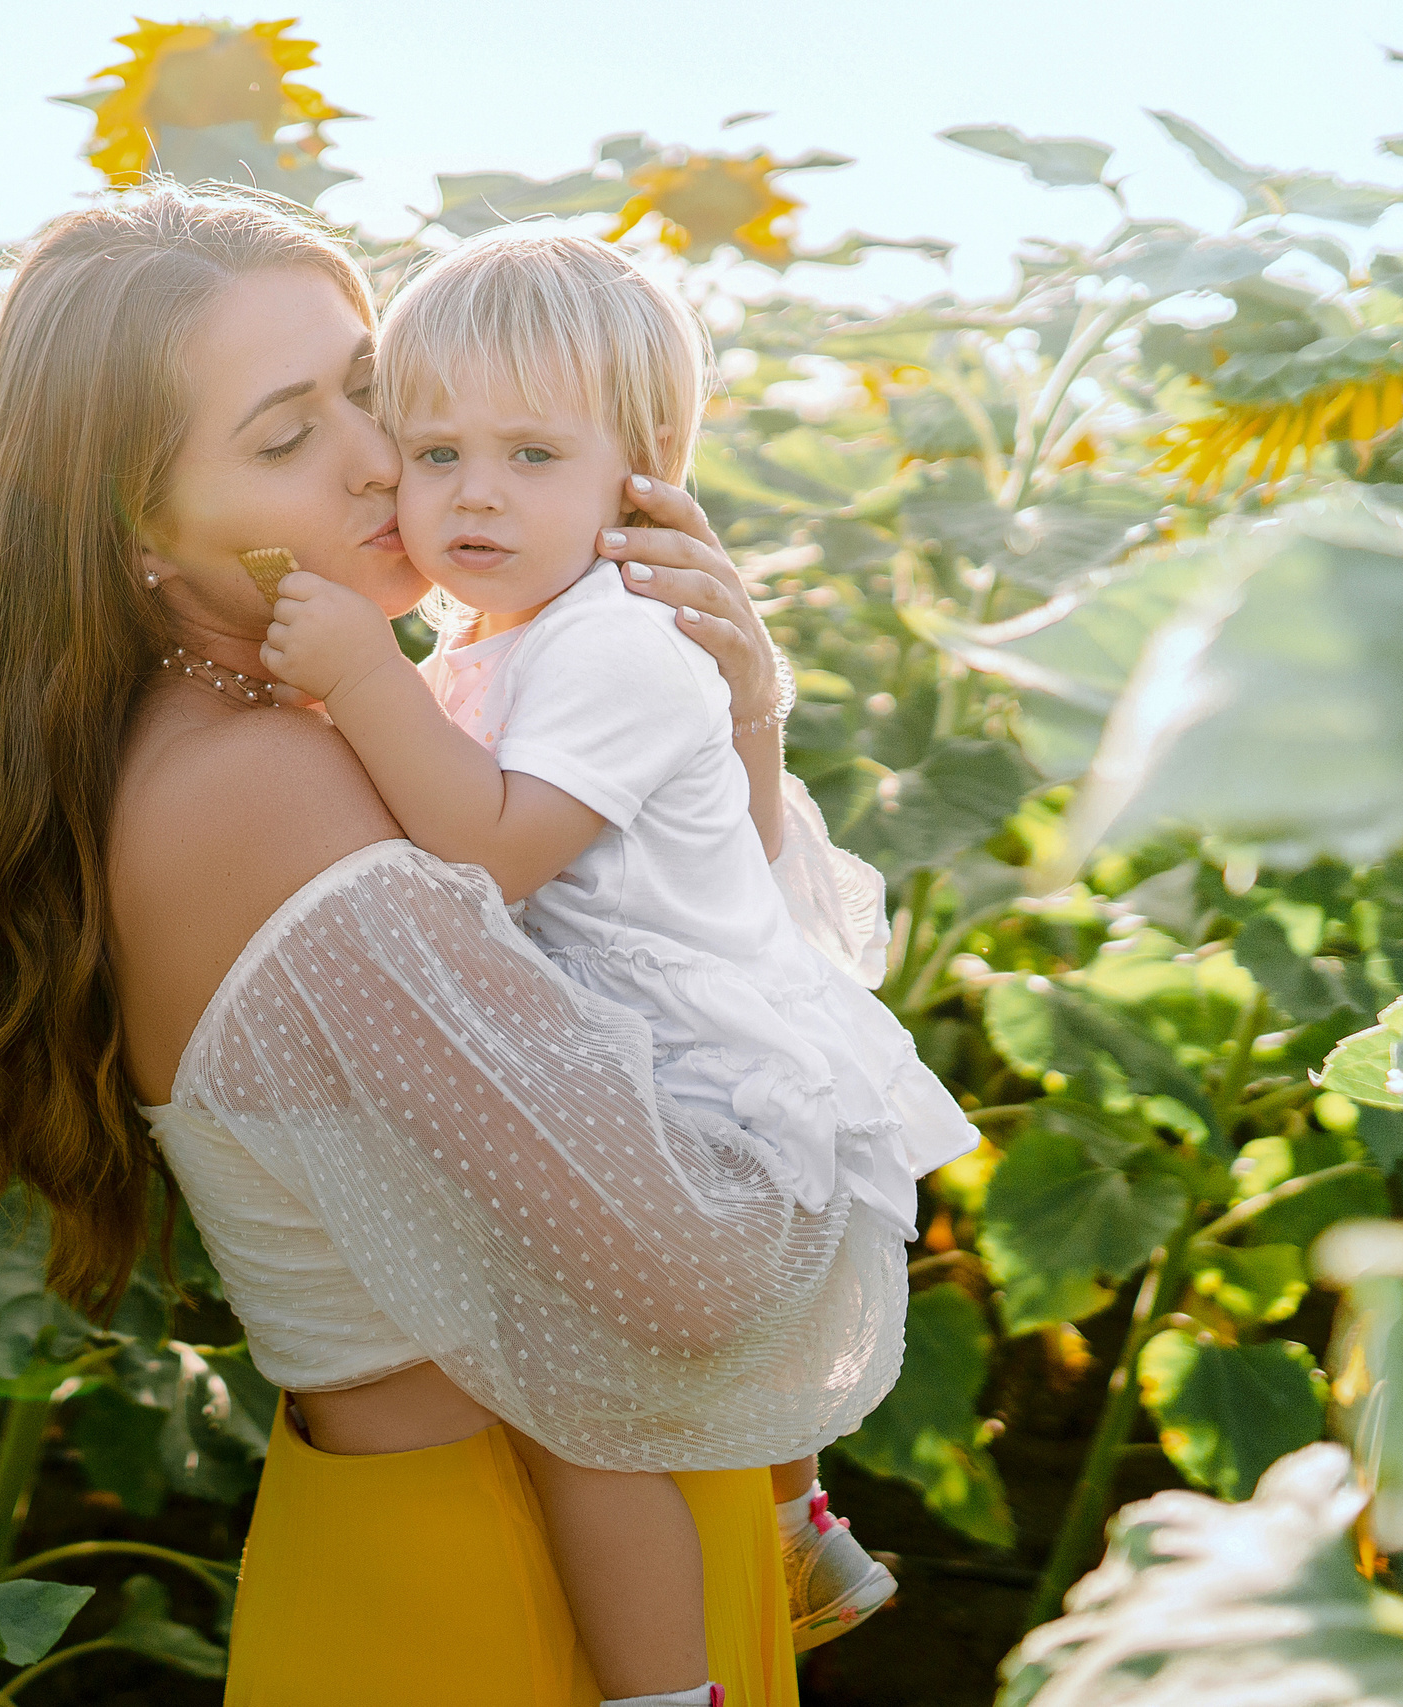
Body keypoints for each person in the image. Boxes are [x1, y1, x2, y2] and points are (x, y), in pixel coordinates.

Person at [0, 182, 905, 1707]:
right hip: (502, 1585)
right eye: (287, 436)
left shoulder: (318, 720)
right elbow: (684, 1274)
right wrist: (825, 1136)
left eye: (373, 390)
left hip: (550, 1523)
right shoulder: (262, 785)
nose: (390, 463)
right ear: (132, 521)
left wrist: (732, 726)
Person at [256, 226, 979, 1688]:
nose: (471, 494)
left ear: (645, 477)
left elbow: (492, 855)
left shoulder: (618, 644)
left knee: (577, 1410)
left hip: (713, 1113)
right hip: (689, 1075)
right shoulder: (516, 633)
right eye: (435, 449)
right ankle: (804, 1532)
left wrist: (356, 680)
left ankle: (664, 1684)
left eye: (532, 456)